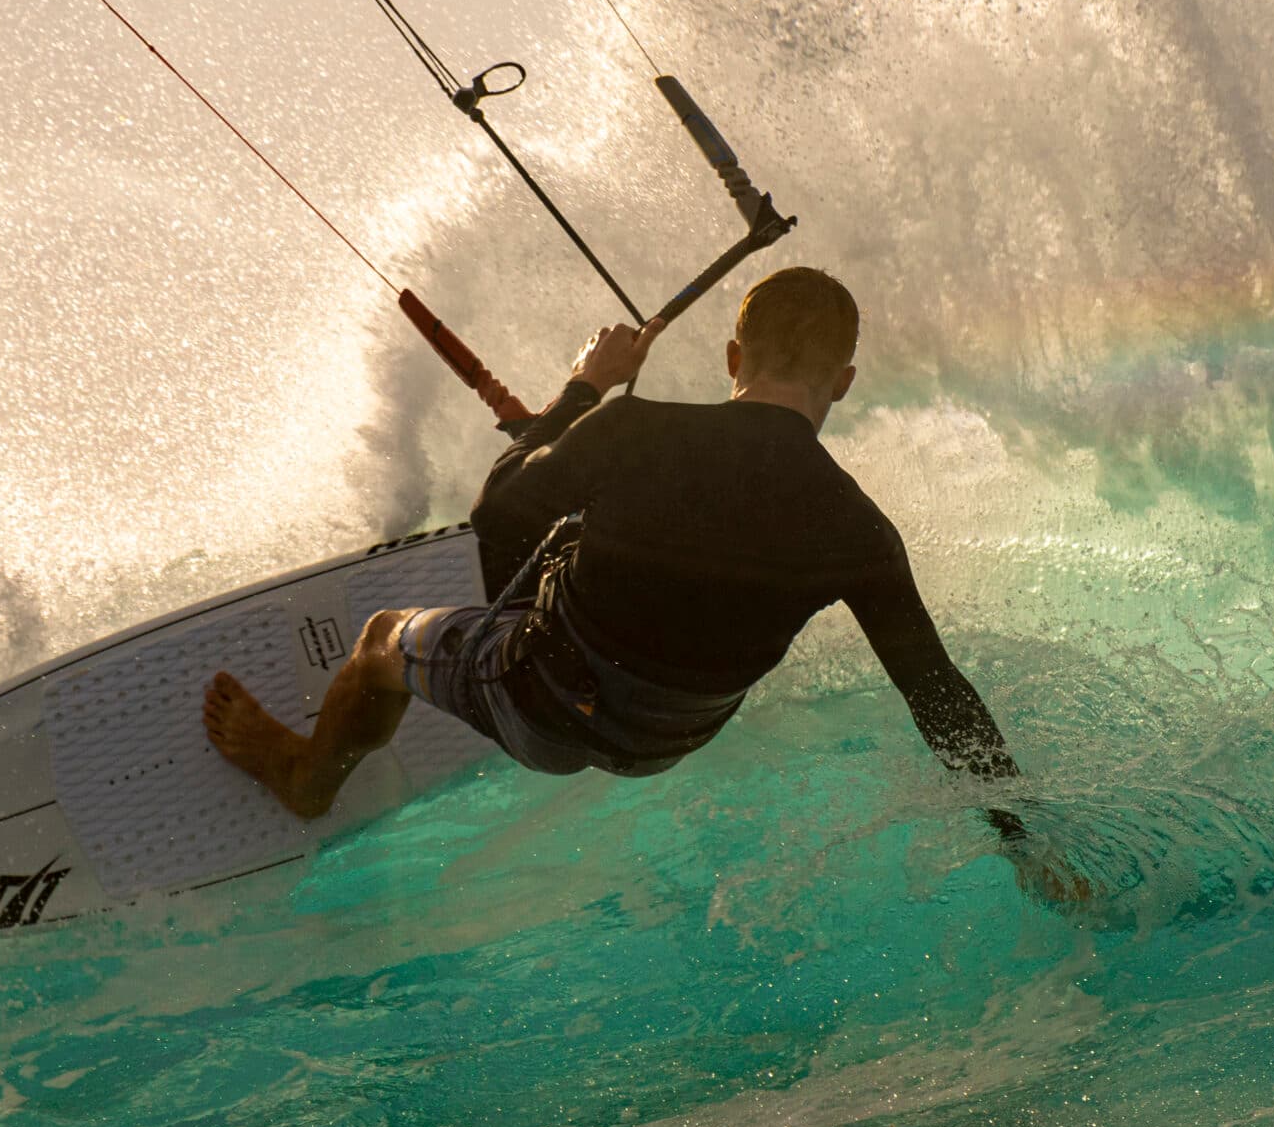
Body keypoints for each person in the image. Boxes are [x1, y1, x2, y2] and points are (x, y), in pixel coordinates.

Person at [202, 266, 1018, 823]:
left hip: (541, 706)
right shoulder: (859, 528)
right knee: (581, 540)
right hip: (659, 745)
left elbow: (496, 516)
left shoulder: (635, 426)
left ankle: (307, 776)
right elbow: (939, 697)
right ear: (842, 381)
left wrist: (586, 389)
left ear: (734, 358)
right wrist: (1027, 840)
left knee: (382, 635)